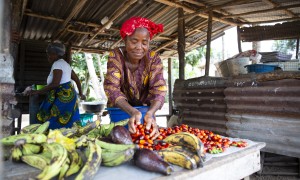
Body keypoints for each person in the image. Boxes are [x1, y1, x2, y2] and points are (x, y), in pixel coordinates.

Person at [104, 17, 167, 139]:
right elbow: (111, 88)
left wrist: (150, 113)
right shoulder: (116, 56)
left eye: (144, 43)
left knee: (144, 140)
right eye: (134, 41)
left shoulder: (153, 58)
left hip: (144, 111)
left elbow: (159, 89)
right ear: (125, 40)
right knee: (121, 139)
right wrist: (132, 111)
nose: (139, 47)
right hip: (120, 110)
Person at [27, 42, 86, 129]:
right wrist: (80, 93)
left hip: (63, 96)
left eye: (49, 54)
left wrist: (37, 91)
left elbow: (55, 83)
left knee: (54, 120)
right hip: (69, 94)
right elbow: (76, 79)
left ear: (55, 54)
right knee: (68, 122)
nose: (48, 57)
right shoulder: (65, 64)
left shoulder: (57, 64)